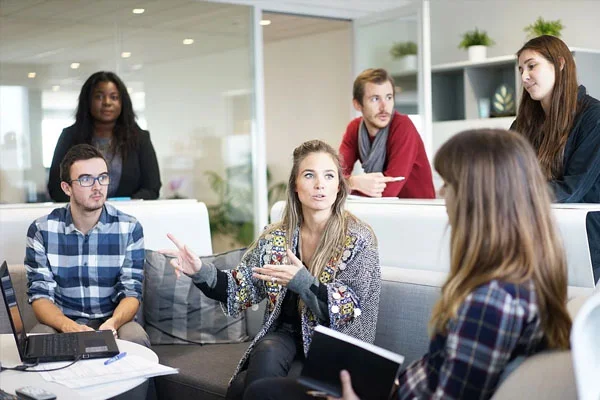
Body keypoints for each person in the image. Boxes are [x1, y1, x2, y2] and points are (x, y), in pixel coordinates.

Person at [245, 129, 572, 400]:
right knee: (257, 389)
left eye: (449, 184)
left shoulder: (490, 302)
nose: (443, 195)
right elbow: (440, 373)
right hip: (397, 389)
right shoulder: (519, 280)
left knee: (261, 394)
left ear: (479, 198)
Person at [162, 140, 381, 399]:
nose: (320, 184)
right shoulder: (277, 236)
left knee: (244, 387)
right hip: (285, 335)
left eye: (329, 176)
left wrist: (303, 282)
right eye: (309, 175)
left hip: (335, 344)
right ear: (296, 187)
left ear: (338, 187)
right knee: (266, 351)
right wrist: (200, 271)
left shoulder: (358, 238)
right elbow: (240, 287)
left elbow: (348, 308)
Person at [26, 144, 149, 347]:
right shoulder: (42, 230)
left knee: (136, 338)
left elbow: (131, 292)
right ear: (67, 188)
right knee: (38, 339)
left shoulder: (129, 228)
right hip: (62, 322)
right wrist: (69, 327)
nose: (97, 186)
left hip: (114, 321)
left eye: (103, 177)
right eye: (85, 179)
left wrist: (113, 323)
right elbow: (40, 296)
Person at [511, 35, 600, 282]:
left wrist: (513, 192)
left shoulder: (594, 117)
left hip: (585, 243)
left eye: (531, 66)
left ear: (560, 64)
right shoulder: (523, 123)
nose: (524, 77)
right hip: (535, 238)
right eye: (521, 69)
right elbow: (503, 172)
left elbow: (572, 189)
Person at [48, 71, 161, 202]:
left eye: (114, 97)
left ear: (122, 102)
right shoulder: (69, 137)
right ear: (87, 101)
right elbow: (56, 188)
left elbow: (152, 188)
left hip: (128, 217)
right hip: (81, 218)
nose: (107, 102)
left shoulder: (140, 138)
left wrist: (124, 206)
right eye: (99, 97)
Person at [338, 68, 435, 198]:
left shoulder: (403, 126)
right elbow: (334, 177)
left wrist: (348, 184)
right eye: (375, 99)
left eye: (389, 97)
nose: (384, 107)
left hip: (417, 210)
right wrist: (353, 182)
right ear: (357, 104)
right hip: (382, 210)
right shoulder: (354, 129)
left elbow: (389, 190)